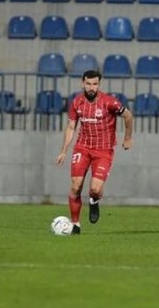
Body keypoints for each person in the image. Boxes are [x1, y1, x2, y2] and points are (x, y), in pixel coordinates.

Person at [55, 70, 133, 234]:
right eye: (88, 83)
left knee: (95, 189)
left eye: (95, 84)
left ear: (99, 84)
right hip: (82, 148)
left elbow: (128, 115)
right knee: (76, 187)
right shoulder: (77, 102)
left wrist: (128, 138)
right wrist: (63, 151)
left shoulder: (109, 102)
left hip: (103, 150)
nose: (92, 87)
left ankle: (93, 201)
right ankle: (75, 225)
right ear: (82, 83)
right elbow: (71, 127)